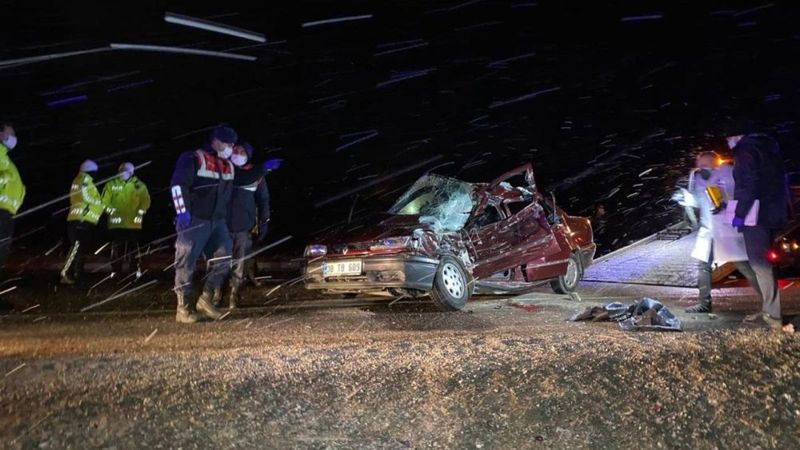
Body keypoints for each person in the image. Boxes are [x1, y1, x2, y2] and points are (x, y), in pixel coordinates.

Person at [725, 120, 791, 332]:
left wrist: (739, 214)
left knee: (760, 265)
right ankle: (769, 310)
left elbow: (748, 185)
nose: (728, 144)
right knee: (764, 264)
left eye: (728, 139)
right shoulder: (769, 148)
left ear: (736, 135)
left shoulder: (746, 151)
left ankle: (772, 316)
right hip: (772, 214)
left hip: (756, 217)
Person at [170, 125, 238, 323]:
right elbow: (178, 185)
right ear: (215, 141)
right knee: (186, 262)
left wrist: (263, 168)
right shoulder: (193, 158)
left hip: (217, 221)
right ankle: (183, 308)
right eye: (227, 143)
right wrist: (182, 212)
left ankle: (205, 300)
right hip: (194, 220)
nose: (231, 148)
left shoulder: (227, 165)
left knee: (225, 259)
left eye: (233, 144)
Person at [684, 152, 746, 313]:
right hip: (708, 231)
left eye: (703, 163)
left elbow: (736, 198)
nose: (700, 166)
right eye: (699, 164)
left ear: (712, 162)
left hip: (726, 229)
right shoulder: (698, 179)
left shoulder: (727, 174)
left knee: (743, 264)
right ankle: (704, 303)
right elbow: (696, 201)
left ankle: (769, 303)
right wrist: (686, 198)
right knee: (703, 265)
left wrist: (727, 210)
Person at [216, 142, 270, 309]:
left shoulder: (257, 174)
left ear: (248, 155)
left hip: (243, 226)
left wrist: (264, 221)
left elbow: (263, 200)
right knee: (218, 261)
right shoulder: (223, 170)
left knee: (240, 263)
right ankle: (216, 293)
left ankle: (234, 294)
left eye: (242, 152)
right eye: (236, 151)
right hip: (221, 226)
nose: (238, 154)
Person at [61, 160, 112, 285]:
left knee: (80, 248)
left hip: (85, 220)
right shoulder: (83, 180)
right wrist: (99, 203)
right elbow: (86, 197)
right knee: (77, 247)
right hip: (80, 219)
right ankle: (67, 273)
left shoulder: (85, 181)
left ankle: (77, 274)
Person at [101, 162, 151, 275]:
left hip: (133, 223)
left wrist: (140, 213)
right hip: (116, 223)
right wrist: (111, 211)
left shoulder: (139, 185)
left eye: (126, 170)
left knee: (133, 248)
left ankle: (135, 269)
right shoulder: (111, 184)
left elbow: (146, 201)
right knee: (117, 247)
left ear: (132, 172)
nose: (123, 172)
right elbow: (104, 202)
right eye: (122, 170)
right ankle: (115, 271)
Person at [0, 121, 25, 278]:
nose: (13, 137)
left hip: (6, 212)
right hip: (1, 211)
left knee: (2, 253)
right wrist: (5, 177)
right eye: (11, 133)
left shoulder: (5, 158)